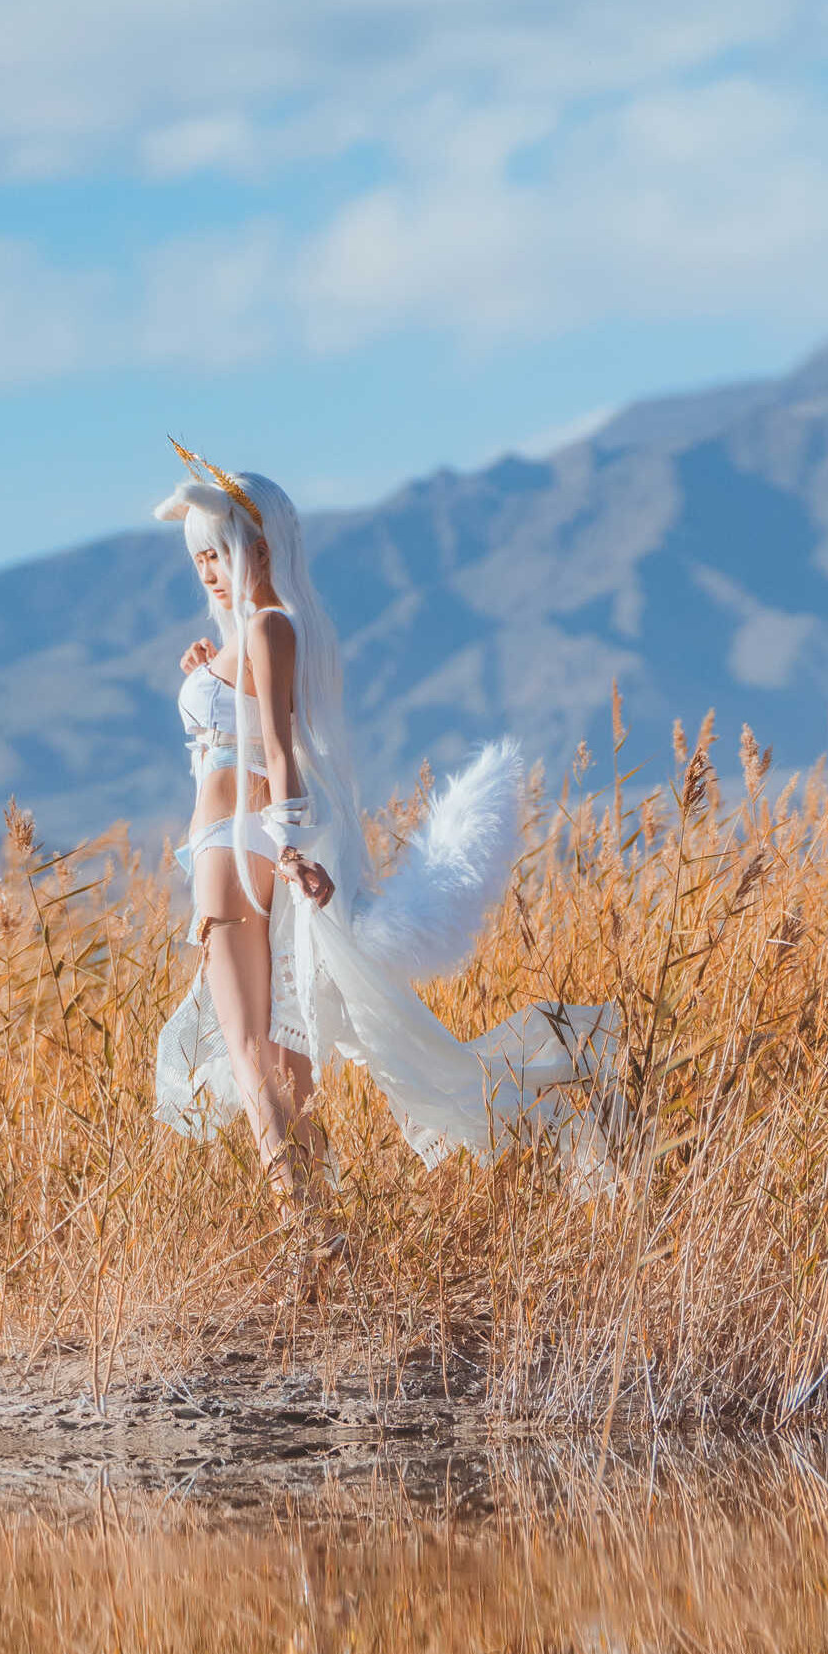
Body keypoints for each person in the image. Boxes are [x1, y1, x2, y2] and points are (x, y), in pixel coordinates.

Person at [144, 449, 621, 1199]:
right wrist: (206, 671)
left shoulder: (269, 629)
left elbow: (277, 752)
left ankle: (307, 1230)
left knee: (247, 1048)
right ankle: (319, 1218)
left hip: (231, 850)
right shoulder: (263, 633)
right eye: (199, 556)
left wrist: (293, 845)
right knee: (283, 1053)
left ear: (261, 549)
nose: (207, 569)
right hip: (253, 843)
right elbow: (249, 735)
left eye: (220, 552)